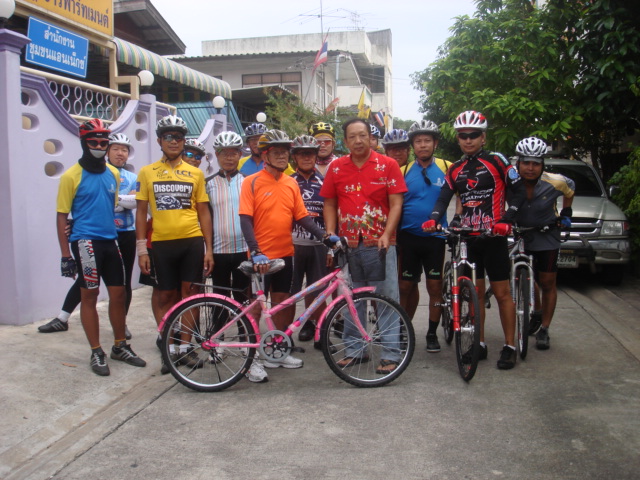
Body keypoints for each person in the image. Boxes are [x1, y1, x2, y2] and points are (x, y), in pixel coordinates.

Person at [423, 110, 526, 370]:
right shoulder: (456, 169)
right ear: (457, 139)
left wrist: (507, 220)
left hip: (493, 236)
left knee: (502, 293)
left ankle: (510, 346)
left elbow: (518, 192)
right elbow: (444, 197)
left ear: (483, 137)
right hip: (468, 239)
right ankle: (479, 344)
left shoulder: (497, 161)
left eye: (473, 135)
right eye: (462, 136)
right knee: (476, 294)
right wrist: (434, 218)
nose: (468, 140)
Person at [55, 119, 146, 376]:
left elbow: (111, 205)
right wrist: (65, 255)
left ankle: (120, 345)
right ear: (84, 142)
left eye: (103, 142)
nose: (98, 146)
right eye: (93, 142)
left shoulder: (113, 174)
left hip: (111, 240)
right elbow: (62, 215)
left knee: (119, 294)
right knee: (90, 296)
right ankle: (96, 351)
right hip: (85, 242)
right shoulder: (70, 176)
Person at [239, 129, 333, 371]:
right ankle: (249, 358)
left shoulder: (290, 183)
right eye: (277, 152)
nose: (283, 157)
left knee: (281, 302)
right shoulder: (251, 182)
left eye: (285, 152)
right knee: (256, 306)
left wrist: (326, 237)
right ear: (266, 154)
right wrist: (255, 250)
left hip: (285, 253)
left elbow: (302, 217)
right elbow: (245, 220)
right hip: (261, 255)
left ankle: (278, 350)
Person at [321, 118, 408, 374]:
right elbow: (329, 203)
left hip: (380, 244)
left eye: (363, 135)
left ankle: (391, 353)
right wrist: (329, 232)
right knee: (352, 300)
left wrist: (387, 233)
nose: (358, 141)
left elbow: (396, 204)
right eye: (352, 137)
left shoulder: (388, 165)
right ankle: (355, 350)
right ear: (345, 141)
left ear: (372, 138)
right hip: (349, 245)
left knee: (386, 299)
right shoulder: (336, 168)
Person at [39, 134, 138, 339]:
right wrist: (69, 244)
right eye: (116, 149)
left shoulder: (128, 176)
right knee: (87, 286)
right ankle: (64, 318)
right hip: (89, 238)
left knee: (121, 285)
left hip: (122, 234)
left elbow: (130, 202)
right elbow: (109, 203)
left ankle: (121, 327)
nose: (120, 153)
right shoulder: (75, 174)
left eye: (125, 150)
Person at [135, 115, 213, 372]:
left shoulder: (195, 173)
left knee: (190, 295)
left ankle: (184, 349)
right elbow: (140, 212)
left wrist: (209, 249)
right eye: (168, 137)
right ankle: (169, 348)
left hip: (191, 241)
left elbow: (203, 212)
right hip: (161, 244)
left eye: (178, 137)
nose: (174, 141)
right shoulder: (147, 172)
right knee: (165, 296)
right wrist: (141, 248)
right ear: (159, 140)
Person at [205, 131, 267, 383]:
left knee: (245, 300)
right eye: (224, 153)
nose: (229, 158)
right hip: (219, 250)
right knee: (220, 298)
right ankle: (217, 339)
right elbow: (204, 218)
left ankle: (245, 342)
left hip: (244, 250)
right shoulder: (208, 182)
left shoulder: (249, 181)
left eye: (233, 153)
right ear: (217, 156)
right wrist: (206, 249)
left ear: (240, 155)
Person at [512, 137, 574, 350]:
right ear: (518, 163)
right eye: (526, 163)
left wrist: (567, 212)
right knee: (524, 278)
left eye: (535, 163)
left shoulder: (555, 181)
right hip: (520, 235)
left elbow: (570, 188)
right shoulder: (510, 181)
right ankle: (535, 310)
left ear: (542, 165)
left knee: (547, 282)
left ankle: (545, 328)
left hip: (547, 236)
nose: (530, 168)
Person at [398, 120, 453, 353]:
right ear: (412, 145)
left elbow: (463, 193)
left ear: (435, 143)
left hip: (435, 239)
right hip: (408, 237)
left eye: (427, 141)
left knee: (435, 287)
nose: (423, 145)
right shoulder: (404, 170)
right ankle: (403, 329)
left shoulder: (449, 167)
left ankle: (432, 332)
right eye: (418, 141)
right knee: (405, 286)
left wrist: (458, 218)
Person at [289, 135, 331, 347]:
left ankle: (317, 329)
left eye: (310, 153)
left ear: (316, 155)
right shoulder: (287, 181)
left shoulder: (325, 181)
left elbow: (333, 213)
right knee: (289, 293)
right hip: (292, 245)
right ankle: (283, 334)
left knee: (318, 292)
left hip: (318, 246)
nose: (307, 157)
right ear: (294, 156)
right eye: (302, 153)